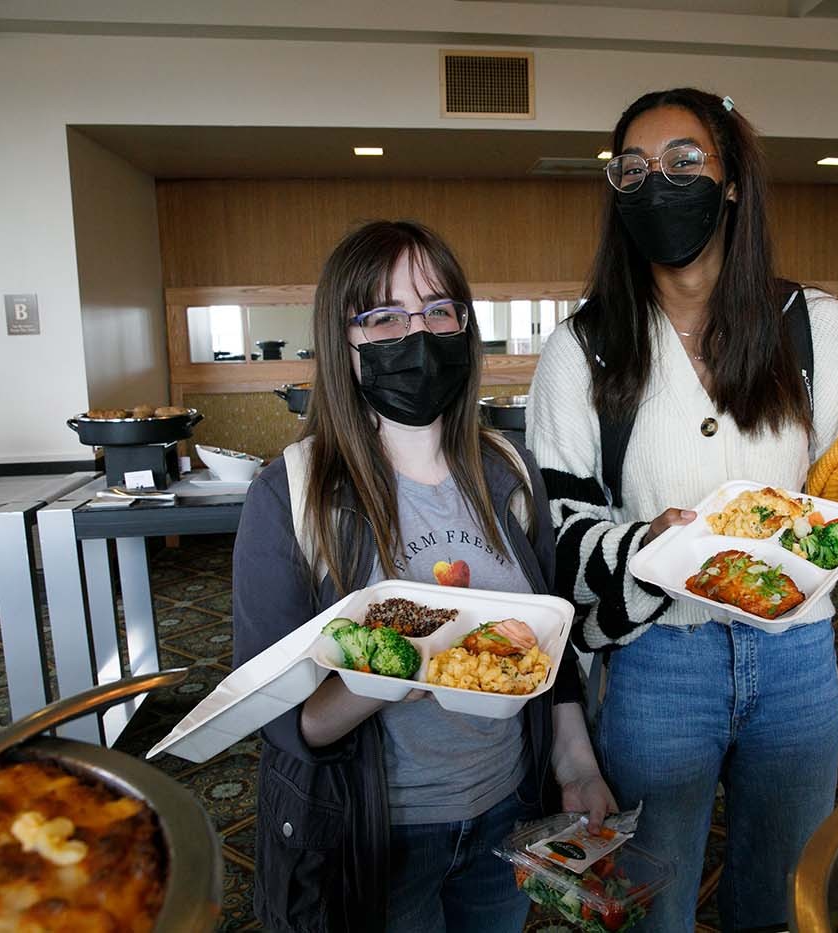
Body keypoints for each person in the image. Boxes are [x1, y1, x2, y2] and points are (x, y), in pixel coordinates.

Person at [526, 88, 838, 931]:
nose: (659, 182)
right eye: (634, 169)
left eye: (686, 161)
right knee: (655, 902)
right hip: (656, 664)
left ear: (729, 184)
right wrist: (644, 544)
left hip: (796, 658)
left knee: (786, 896)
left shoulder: (811, 326)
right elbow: (558, 538)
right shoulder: (584, 347)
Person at [233, 220, 616, 933]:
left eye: (439, 309)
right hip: (376, 838)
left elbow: (549, 646)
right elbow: (282, 717)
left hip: (505, 814)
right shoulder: (290, 494)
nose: (419, 334)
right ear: (343, 343)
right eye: (384, 317)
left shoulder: (508, 470)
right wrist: (393, 669)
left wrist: (578, 763)